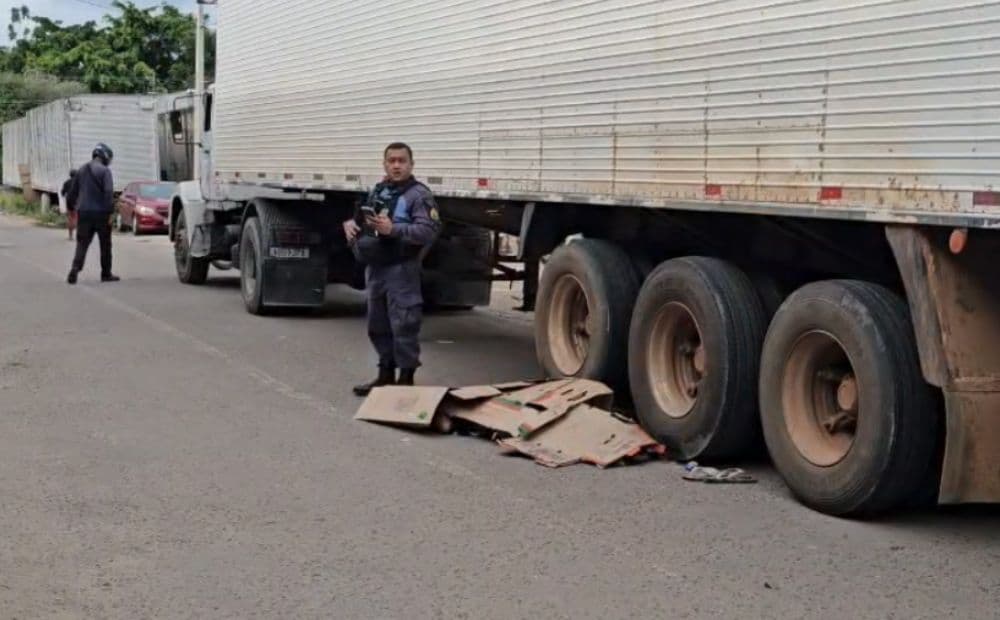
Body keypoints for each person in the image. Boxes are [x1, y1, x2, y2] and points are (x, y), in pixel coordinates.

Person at [344, 142, 442, 395]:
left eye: (402, 161)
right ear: (384, 164)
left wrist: (394, 230)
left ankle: (406, 381)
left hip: (402, 269)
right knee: (378, 324)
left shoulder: (419, 195)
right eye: (391, 161)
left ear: (411, 164)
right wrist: (350, 225)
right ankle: (384, 375)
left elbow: (428, 230)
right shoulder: (379, 190)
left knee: (404, 324)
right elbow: (362, 221)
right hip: (376, 269)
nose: (396, 165)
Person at [66, 143, 120, 285]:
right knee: (105, 245)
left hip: (83, 213)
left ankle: (75, 268)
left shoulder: (81, 170)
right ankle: (106, 273)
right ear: (105, 156)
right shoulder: (105, 171)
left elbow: (72, 194)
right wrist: (110, 213)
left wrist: (71, 208)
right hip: (101, 213)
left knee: (82, 243)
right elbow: (108, 193)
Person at [60, 169, 78, 241]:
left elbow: (62, 193)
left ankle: (70, 236)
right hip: (77, 201)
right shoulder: (79, 182)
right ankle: (77, 233)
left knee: (70, 218)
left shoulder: (66, 182)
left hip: (69, 201)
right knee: (76, 218)